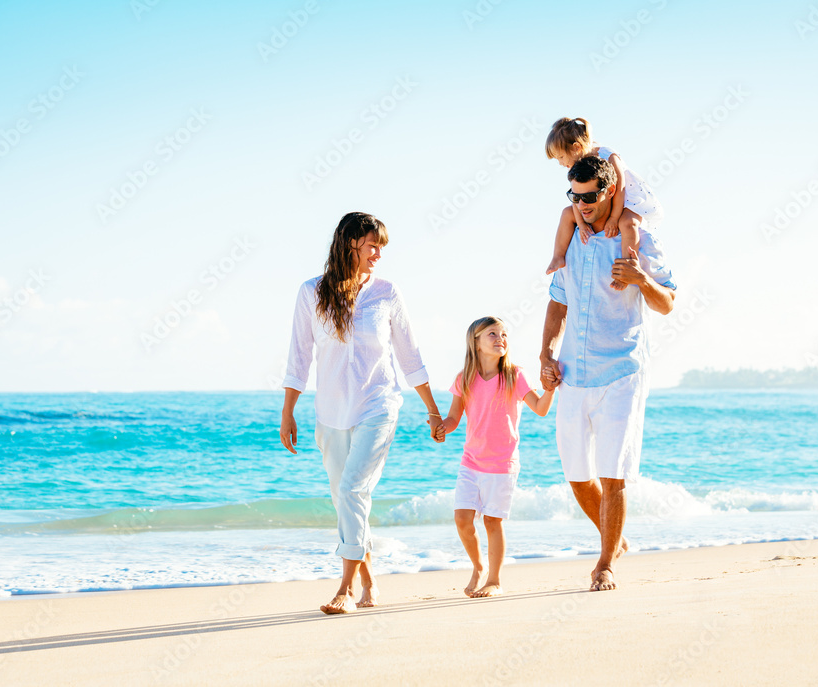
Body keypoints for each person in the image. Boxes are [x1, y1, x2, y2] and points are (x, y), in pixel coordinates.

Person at [280, 211, 444, 615]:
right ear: (349, 243)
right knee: (345, 499)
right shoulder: (311, 292)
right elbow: (299, 356)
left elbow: (410, 355)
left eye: (381, 247)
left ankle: (345, 589)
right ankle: (369, 581)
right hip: (331, 412)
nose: (377, 254)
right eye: (372, 245)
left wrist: (434, 412)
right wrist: (288, 412)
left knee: (353, 490)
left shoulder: (387, 292)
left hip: (378, 405)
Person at [539, 156, 676, 591]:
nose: (582, 205)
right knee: (579, 478)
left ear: (609, 190)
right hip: (573, 375)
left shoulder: (637, 236)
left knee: (614, 475)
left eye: (591, 197)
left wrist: (640, 278)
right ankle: (615, 539)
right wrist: (545, 352)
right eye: (574, 197)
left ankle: (605, 565)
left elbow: (667, 302)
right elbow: (558, 301)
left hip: (621, 371)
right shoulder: (571, 238)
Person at [436, 316, 554, 598]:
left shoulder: (514, 375)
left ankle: (494, 580)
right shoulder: (464, 378)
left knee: (492, 522)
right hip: (471, 462)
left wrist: (550, 389)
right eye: (492, 334)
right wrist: (443, 427)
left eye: (503, 334)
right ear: (475, 342)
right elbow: (454, 417)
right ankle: (478, 567)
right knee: (463, 519)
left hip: (502, 464)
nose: (500, 338)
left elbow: (540, 408)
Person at [544, 117, 664, 290]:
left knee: (627, 223)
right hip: (599, 199)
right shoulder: (577, 167)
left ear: (577, 147)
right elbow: (577, 198)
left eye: (561, 157)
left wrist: (614, 218)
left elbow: (620, 187)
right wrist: (581, 224)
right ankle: (558, 256)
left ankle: (627, 269)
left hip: (629, 199)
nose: (561, 163)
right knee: (566, 213)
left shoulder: (607, 154)